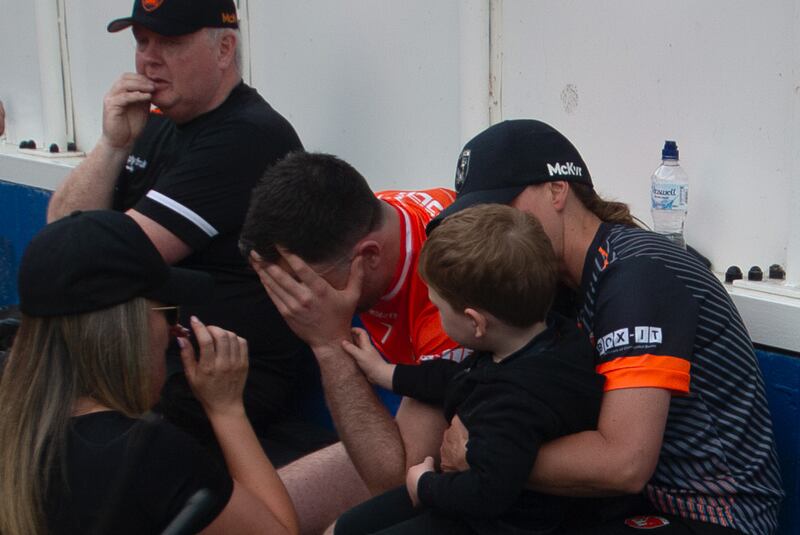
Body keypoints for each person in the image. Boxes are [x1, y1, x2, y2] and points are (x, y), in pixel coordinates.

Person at [429, 119, 784, 535]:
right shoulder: (543, 282)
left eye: (498, 208)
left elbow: (624, 463)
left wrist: (482, 457)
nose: (488, 228)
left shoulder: (638, 272)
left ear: (557, 190)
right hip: (614, 504)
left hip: (712, 513)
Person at [45, 0, 318, 463]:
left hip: (221, 374)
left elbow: (97, 259)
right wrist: (114, 144)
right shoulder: (152, 125)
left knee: (70, 445)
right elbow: (62, 233)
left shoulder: (248, 135)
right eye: (142, 41)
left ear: (224, 48)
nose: (149, 58)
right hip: (144, 359)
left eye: (170, 43)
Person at [0, 210, 298, 535]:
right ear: (128, 330)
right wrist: (226, 408)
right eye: (169, 313)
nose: (175, 331)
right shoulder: (145, 452)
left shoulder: (18, 432)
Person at [331, 204, 605, 535]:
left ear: (475, 322)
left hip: (502, 520)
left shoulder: (514, 402)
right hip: (473, 498)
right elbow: (456, 378)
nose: (435, 311)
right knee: (350, 525)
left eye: (438, 307)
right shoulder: (545, 338)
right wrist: (384, 372)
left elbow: (487, 492)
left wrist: (425, 486)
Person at [240, 152, 464, 533]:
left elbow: (395, 484)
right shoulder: (368, 220)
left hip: (487, 459)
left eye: (304, 287)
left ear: (369, 256)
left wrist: (328, 343)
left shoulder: (448, 291)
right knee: (250, 520)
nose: (295, 305)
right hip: (417, 435)